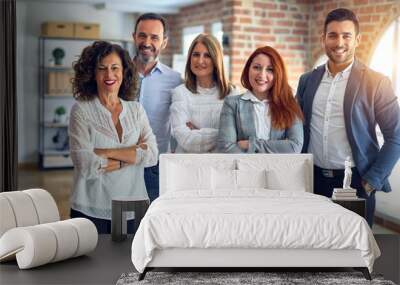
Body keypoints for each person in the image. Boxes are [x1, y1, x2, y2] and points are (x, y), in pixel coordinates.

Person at [296, 8, 400, 227]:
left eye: (346, 35)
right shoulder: (307, 80)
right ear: (323, 38)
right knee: (315, 247)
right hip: (311, 179)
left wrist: (372, 181)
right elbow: (294, 127)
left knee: (356, 253)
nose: (339, 42)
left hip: (354, 183)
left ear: (357, 40)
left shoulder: (377, 82)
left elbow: (395, 136)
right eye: (332, 35)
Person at [69, 41, 158, 234]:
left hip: (133, 207)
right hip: (90, 208)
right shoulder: (81, 110)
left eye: (114, 68)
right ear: (92, 73)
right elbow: (86, 163)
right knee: (91, 264)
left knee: (129, 263)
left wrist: (106, 152)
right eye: (102, 69)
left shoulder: (136, 110)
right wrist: (132, 156)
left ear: (124, 71)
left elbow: (152, 155)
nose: (109, 75)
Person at [132, 13, 182, 201]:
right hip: (118, 164)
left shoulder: (175, 80)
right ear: (134, 37)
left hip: (155, 166)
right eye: (142, 35)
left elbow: (180, 121)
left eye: (154, 37)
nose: (147, 42)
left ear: (164, 42)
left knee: (152, 220)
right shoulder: (117, 73)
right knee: (119, 224)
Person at [217, 46, 304, 153]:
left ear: (278, 74)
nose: (262, 74)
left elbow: (294, 146)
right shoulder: (232, 104)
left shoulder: (289, 105)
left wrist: (251, 144)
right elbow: (226, 147)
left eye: (270, 69)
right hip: (244, 169)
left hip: (280, 169)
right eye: (257, 67)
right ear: (248, 69)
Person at [170, 34, 238, 153]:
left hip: (220, 165)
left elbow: (235, 137)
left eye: (207, 55)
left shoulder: (231, 93)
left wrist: (198, 131)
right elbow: (185, 139)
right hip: (186, 166)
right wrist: (222, 133)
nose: (200, 60)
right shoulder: (180, 92)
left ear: (216, 59)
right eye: (196, 54)